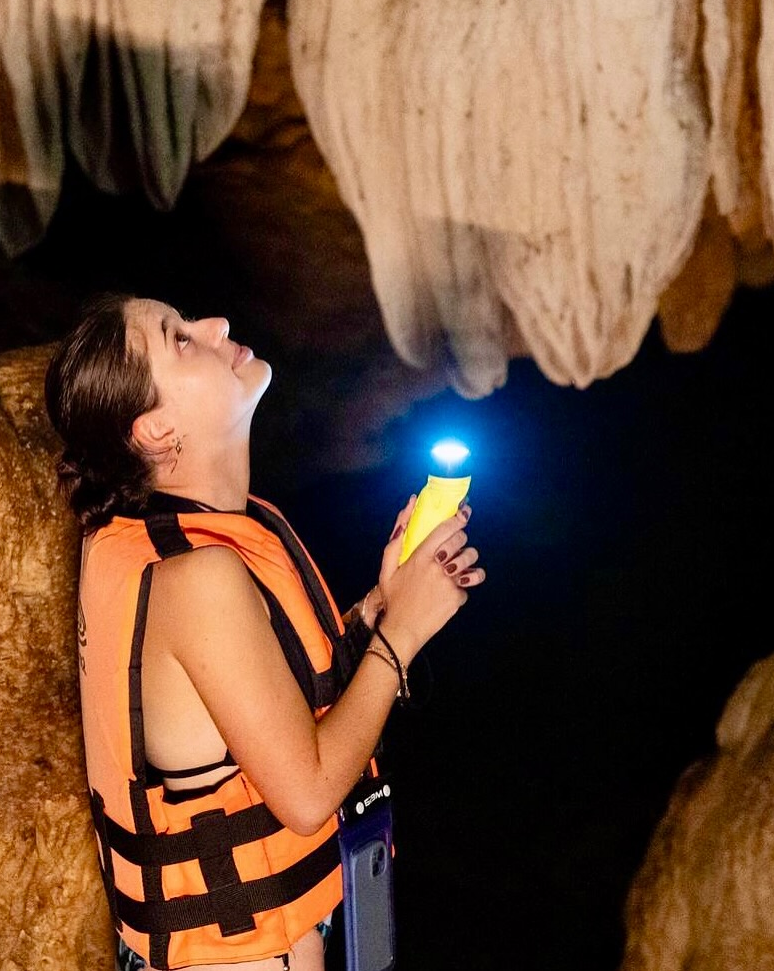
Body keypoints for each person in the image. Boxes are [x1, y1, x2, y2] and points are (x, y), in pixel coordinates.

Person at [44, 292, 485, 971]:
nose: (217, 324)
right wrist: (402, 636)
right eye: (181, 339)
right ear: (156, 432)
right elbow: (307, 795)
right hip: (238, 954)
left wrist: (378, 605)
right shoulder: (195, 575)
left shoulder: (183, 534)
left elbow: (251, 699)